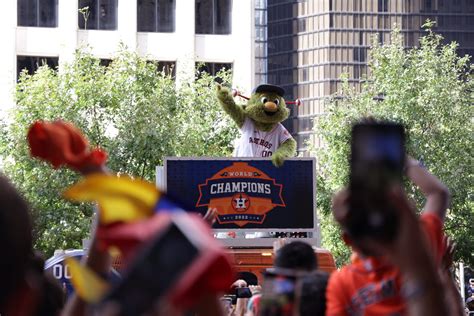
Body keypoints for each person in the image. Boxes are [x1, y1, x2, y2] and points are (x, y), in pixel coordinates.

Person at [325, 156, 450, 315]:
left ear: (348, 240)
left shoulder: (341, 284)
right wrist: (399, 158)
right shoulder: (421, 247)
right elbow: (438, 194)